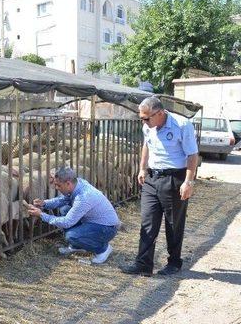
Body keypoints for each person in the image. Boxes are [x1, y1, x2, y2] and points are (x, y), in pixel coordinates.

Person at [121, 97, 199, 276]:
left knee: (173, 223)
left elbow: (192, 155)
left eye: (147, 118)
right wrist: (142, 168)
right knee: (147, 221)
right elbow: (146, 145)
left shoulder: (181, 125)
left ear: (161, 113)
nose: (144, 122)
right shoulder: (148, 126)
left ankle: (174, 262)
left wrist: (188, 181)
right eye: (142, 118)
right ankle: (143, 264)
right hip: (152, 178)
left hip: (174, 178)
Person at [27, 166, 120, 264]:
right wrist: (44, 203)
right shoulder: (78, 183)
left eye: (58, 185)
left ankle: (103, 250)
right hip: (95, 222)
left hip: (107, 228)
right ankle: (76, 246)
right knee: (65, 209)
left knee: (72, 236)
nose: (56, 188)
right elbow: (63, 199)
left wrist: (41, 215)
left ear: (68, 183)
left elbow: (67, 222)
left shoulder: (83, 197)